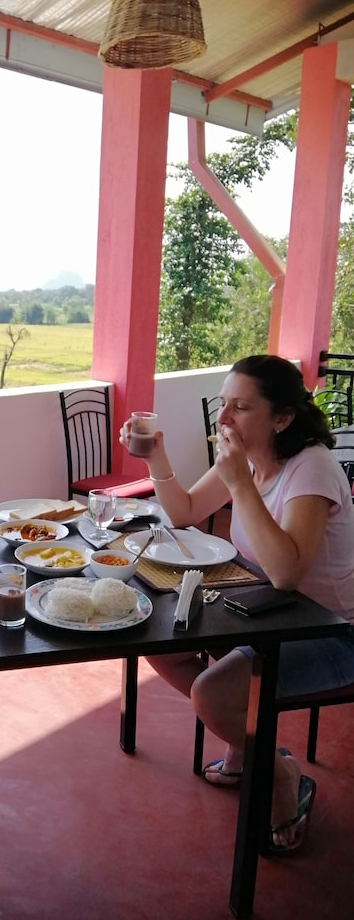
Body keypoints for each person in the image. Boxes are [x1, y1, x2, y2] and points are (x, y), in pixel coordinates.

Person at [120, 355, 354, 854]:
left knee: (212, 695)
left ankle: (282, 774)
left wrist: (241, 486)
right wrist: (157, 458)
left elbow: (287, 572)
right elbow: (185, 511)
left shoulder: (311, 468)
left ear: (282, 418)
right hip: (265, 611)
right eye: (223, 404)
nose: (223, 418)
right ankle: (248, 740)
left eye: (240, 408)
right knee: (156, 641)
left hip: (330, 631)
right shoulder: (248, 456)